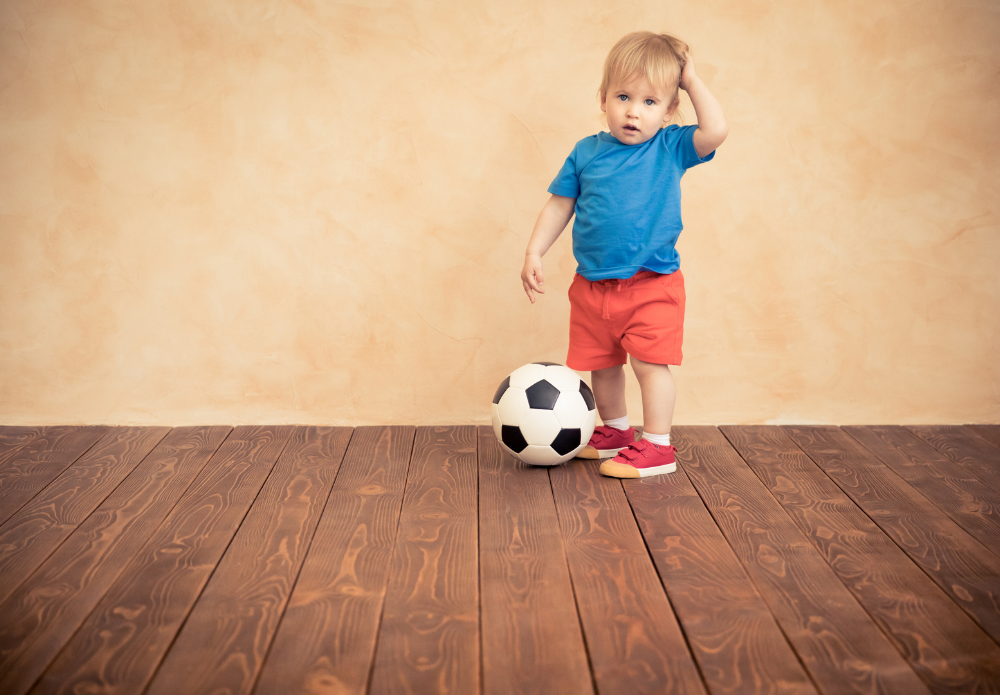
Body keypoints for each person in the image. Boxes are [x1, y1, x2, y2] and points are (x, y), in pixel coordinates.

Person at [520, 31, 728, 478]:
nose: (634, 111)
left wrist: (690, 80)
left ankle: (657, 446)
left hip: (650, 283)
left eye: (651, 102)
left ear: (670, 110)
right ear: (603, 98)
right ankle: (615, 432)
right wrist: (535, 250)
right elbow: (560, 204)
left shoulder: (670, 147)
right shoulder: (586, 152)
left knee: (649, 365)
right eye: (623, 96)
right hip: (593, 284)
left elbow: (716, 131)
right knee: (602, 363)